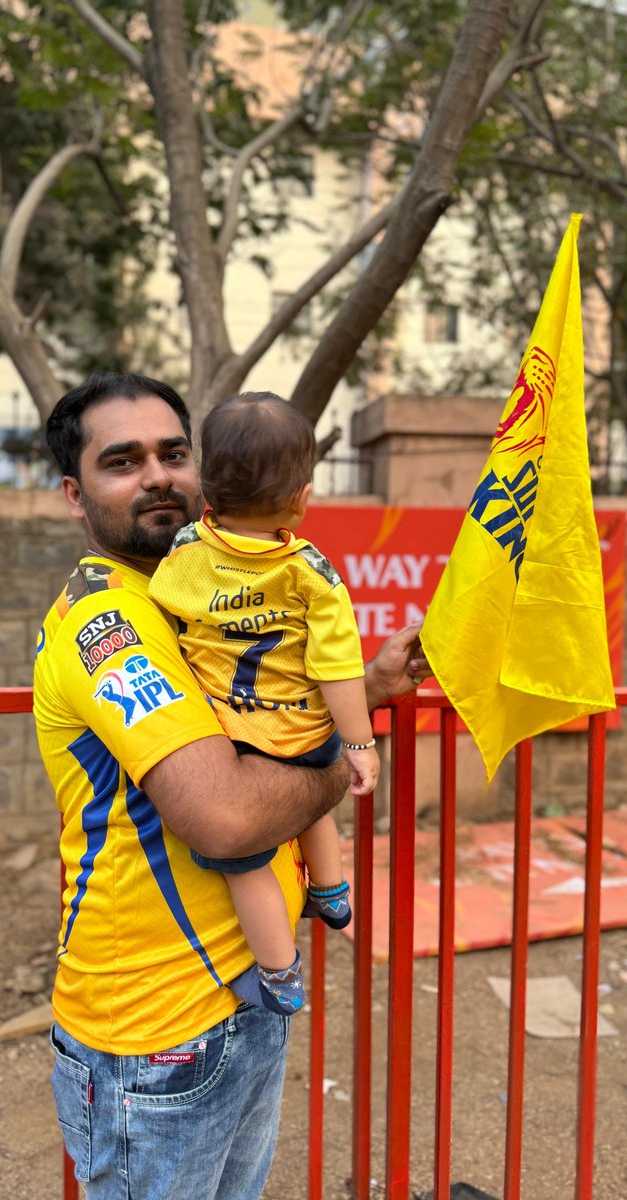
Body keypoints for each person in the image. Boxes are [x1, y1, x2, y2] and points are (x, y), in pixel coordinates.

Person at [34, 370, 428, 1200]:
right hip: (157, 1036)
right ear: (76, 494)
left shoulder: (198, 590)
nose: (158, 477)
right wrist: (337, 755)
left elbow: (267, 700)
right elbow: (227, 818)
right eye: (123, 461)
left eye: (173, 453)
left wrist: (371, 687)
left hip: (242, 1002)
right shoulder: (111, 621)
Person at [148, 391, 378, 1017]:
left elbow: (162, 610)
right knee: (310, 795)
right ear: (304, 498)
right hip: (305, 729)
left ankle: (279, 973)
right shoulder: (313, 574)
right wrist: (358, 744)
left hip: (236, 738)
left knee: (243, 862)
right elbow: (339, 668)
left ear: (205, 489)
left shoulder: (187, 552)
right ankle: (330, 891)